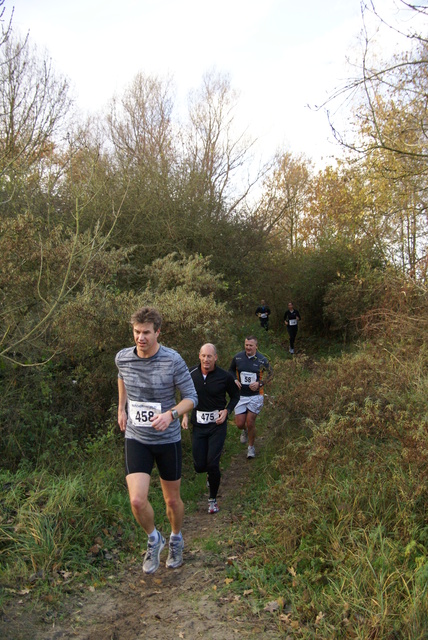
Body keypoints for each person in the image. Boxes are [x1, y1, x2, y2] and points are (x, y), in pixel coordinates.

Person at [115, 307, 198, 575]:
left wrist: (172, 414)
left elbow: (191, 397)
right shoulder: (123, 358)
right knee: (137, 501)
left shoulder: (172, 360)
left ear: (157, 332)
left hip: (167, 439)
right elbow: (122, 378)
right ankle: (154, 539)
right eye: (137, 332)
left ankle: (175, 538)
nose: (141, 338)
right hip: (137, 437)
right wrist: (120, 408)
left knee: (171, 501)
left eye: (146, 333)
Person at [182, 344, 240, 514]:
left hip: (217, 426)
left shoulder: (225, 376)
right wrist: (185, 415)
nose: (206, 360)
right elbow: (185, 396)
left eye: (209, 356)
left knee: (213, 463)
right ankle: (209, 474)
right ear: (199, 356)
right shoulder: (190, 374)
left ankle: (212, 499)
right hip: (199, 425)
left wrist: (227, 411)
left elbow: (235, 396)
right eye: (203, 356)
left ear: (216, 357)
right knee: (200, 466)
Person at [229, 336, 273, 459]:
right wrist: (234, 379)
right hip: (241, 395)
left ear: (256, 346)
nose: (248, 347)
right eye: (246, 345)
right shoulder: (238, 357)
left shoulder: (262, 359)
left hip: (255, 396)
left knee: (250, 422)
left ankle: (251, 448)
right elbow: (231, 370)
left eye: (251, 345)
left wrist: (260, 383)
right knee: (239, 423)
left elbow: (271, 374)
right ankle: (245, 431)